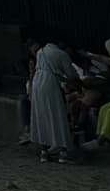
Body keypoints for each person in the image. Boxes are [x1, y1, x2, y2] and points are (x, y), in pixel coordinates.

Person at [28, 32, 78, 161]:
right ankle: (63, 151)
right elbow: (70, 73)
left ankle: (44, 150)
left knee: (41, 115)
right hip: (51, 83)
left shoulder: (41, 52)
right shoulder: (61, 54)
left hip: (38, 83)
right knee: (57, 115)